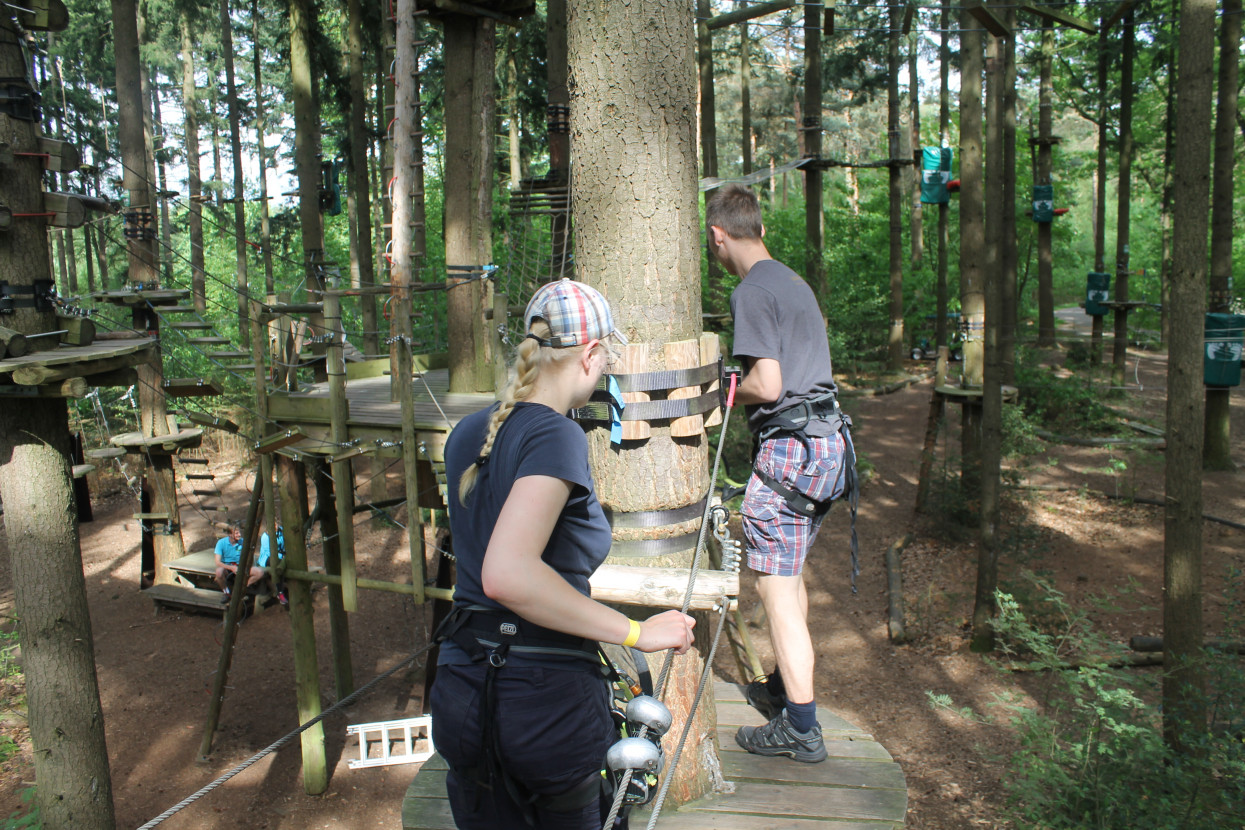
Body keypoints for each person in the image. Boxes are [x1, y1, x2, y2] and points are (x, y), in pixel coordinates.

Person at [433, 278, 697, 829]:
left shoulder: (468, 433)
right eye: (604, 359)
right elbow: (508, 574)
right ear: (591, 353)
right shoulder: (555, 436)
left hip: (462, 690)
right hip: (541, 704)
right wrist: (634, 633)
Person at [706, 183, 856, 764]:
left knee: (775, 594)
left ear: (718, 236)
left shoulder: (750, 292)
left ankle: (800, 727)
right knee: (790, 578)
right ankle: (781, 687)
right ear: (759, 228)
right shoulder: (792, 280)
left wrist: (719, 393)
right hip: (827, 446)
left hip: (792, 451)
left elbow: (767, 383)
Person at [213, 520, 265, 603]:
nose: (239, 535)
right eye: (236, 533)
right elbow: (217, 562)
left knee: (260, 572)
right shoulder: (221, 543)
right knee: (218, 573)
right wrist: (232, 567)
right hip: (228, 567)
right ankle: (226, 593)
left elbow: (249, 557)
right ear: (230, 534)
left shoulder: (243, 542)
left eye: (239, 533)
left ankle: (242, 588)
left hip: (241, 566)